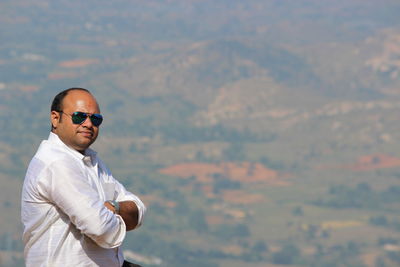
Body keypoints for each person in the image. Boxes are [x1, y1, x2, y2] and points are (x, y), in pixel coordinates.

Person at [21, 88, 146, 267]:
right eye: (79, 117)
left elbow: (139, 210)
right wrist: (117, 215)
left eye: (95, 119)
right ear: (55, 118)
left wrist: (113, 207)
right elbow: (100, 228)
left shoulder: (92, 162)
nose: (88, 124)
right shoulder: (56, 163)